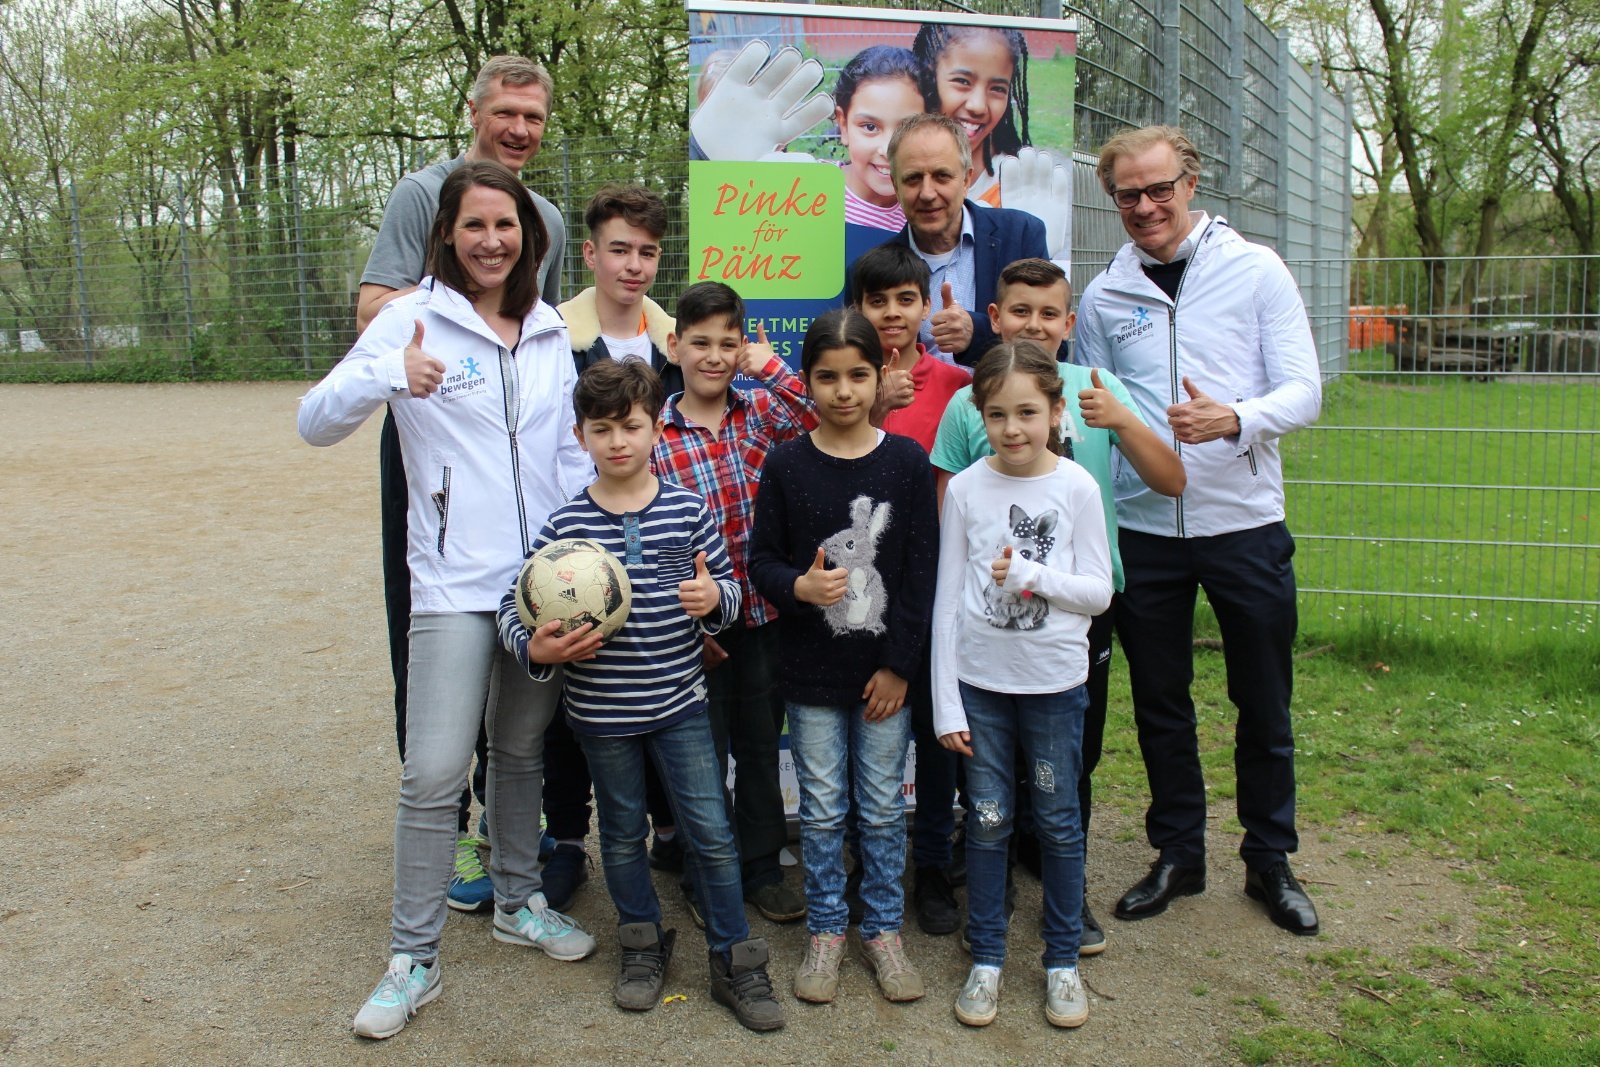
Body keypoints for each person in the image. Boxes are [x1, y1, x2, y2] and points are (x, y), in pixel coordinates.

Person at [299, 160, 598, 1040]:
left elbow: (568, 458)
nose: (492, 241)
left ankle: (516, 903)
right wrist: (388, 371)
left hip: (541, 586)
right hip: (453, 589)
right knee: (433, 770)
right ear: (447, 234)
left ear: (529, 235)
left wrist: (576, 559)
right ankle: (413, 957)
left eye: (505, 226)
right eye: (474, 226)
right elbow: (315, 419)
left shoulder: (548, 329)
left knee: (519, 751)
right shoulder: (409, 320)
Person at [1074, 125, 1323, 936]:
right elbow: (1095, 406)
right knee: (1160, 700)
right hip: (1146, 527)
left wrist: (1238, 417)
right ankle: (1179, 850)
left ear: (1191, 180)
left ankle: (1269, 858)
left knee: (1262, 695)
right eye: (1128, 195)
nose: (1145, 207)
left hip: (1243, 521)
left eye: (1159, 189)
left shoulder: (1256, 271)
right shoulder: (1106, 294)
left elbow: (1304, 391)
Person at [497, 359, 786, 1032]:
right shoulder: (564, 529)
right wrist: (533, 647)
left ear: (658, 427)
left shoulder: (688, 508)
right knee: (622, 835)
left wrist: (716, 599)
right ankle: (640, 943)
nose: (618, 441)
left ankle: (734, 955)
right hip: (601, 716)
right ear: (581, 435)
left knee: (711, 833)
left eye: (631, 425)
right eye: (602, 429)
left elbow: (733, 598)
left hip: (682, 705)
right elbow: (514, 607)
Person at [356, 55, 568, 913]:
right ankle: (445, 831)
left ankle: (508, 833)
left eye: (534, 118)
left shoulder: (543, 215)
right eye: (506, 112)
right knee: (435, 635)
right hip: (432, 435)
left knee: (528, 629)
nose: (519, 129)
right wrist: (448, 319)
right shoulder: (421, 192)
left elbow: (539, 331)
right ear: (473, 110)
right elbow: (372, 306)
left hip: (512, 459)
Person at [929, 257, 1187, 953]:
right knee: (990, 754)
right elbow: (949, 508)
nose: (1034, 325)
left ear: (1070, 324)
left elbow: (1171, 479)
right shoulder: (970, 403)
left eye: (1049, 313)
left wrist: (1126, 420)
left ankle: (1058, 883)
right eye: (1019, 311)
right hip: (989, 623)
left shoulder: (1097, 390)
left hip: (1076, 615)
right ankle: (996, 878)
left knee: (1071, 753)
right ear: (995, 317)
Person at [749, 309, 938, 1006]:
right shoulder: (787, 462)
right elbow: (760, 559)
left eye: (858, 375)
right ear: (807, 382)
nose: (844, 391)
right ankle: (828, 929)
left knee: (884, 809)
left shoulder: (906, 463)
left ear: (882, 373)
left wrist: (900, 666)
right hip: (810, 675)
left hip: (884, 675)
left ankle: (882, 928)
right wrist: (797, 586)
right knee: (824, 809)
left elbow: (921, 573)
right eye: (826, 377)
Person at [933, 340, 1114, 1029]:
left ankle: (1062, 961)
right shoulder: (970, 488)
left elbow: (1098, 592)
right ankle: (987, 959)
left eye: (1029, 413)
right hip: (981, 688)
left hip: (1054, 689)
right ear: (980, 415)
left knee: (1059, 822)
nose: (1013, 429)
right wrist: (948, 699)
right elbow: (949, 597)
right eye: (999, 414)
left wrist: (1032, 577)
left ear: (1057, 411)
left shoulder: (1077, 487)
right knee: (986, 821)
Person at [650, 281, 816, 925]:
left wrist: (769, 365)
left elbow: (817, 414)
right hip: (694, 627)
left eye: (728, 342)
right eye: (700, 343)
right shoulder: (657, 433)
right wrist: (683, 618)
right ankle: (703, 869)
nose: (714, 356)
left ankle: (761, 865)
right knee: (698, 754)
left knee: (756, 743)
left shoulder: (761, 412)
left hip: (762, 617)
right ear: (675, 346)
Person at [539, 183, 682, 911]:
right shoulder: (548, 335)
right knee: (575, 690)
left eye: (647, 252)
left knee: (658, 678)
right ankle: (566, 837)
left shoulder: (674, 341)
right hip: (572, 537)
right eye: (618, 249)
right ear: (590, 253)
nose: (632, 265)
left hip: (653, 528)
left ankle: (667, 827)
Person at [848, 244, 971, 936]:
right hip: (863, 593)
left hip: (935, 584)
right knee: (873, 731)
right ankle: (873, 857)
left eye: (905, 300)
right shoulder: (845, 378)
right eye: (877, 300)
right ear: (857, 308)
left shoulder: (954, 380)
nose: (891, 313)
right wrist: (874, 404)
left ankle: (932, 865)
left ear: (925, 306)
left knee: (934, 727)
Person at [874, 112, 1047, 367]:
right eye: (913, 179)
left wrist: (976, 333)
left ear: (966, 179)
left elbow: (1051, 344)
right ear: (895, 186)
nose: (927, 193)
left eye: (942, 176)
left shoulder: (1020, 235)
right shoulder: (873, 270)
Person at [831, 46, 922, 231]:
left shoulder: (926, 214)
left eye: (906, 128)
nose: (888, 150)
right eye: (870, 127)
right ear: (843, 125)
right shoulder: (809, 189)